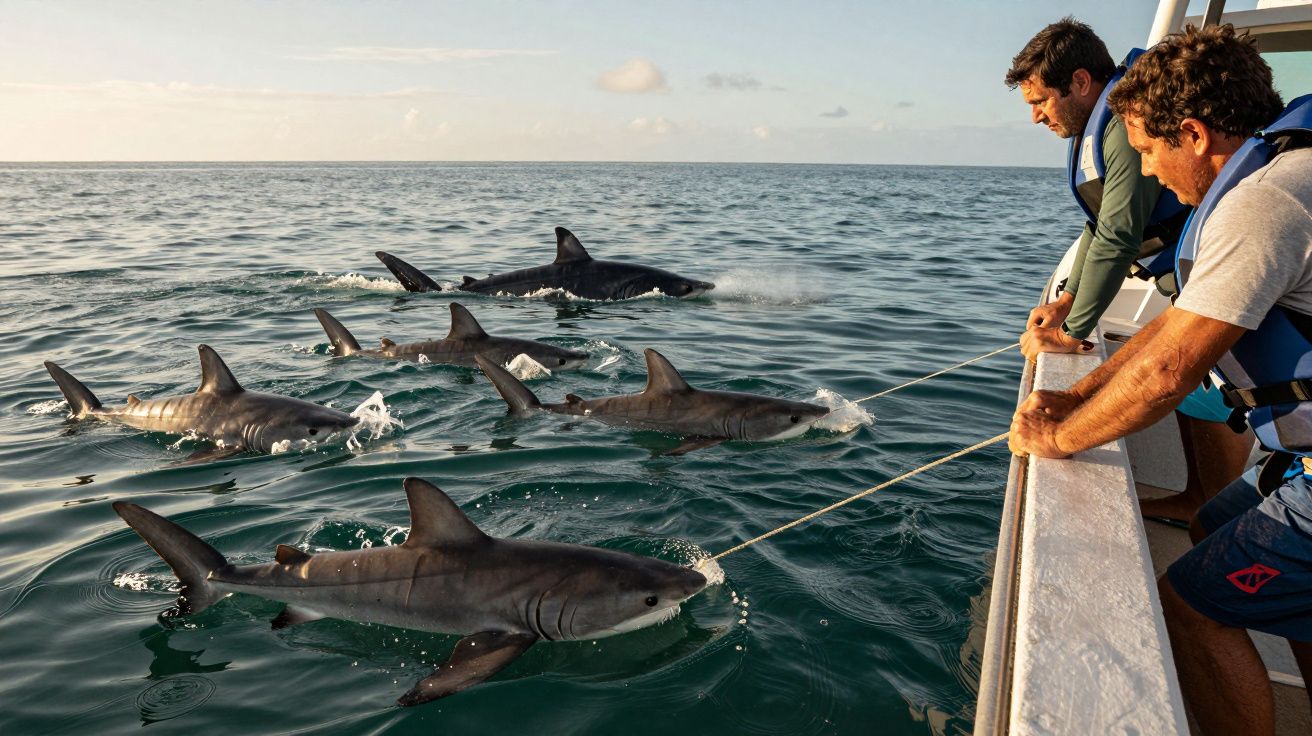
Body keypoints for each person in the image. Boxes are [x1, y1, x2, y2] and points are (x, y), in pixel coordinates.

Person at [1010, 24, 1311, 735]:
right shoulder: (1278, 175)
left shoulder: (1263, 206)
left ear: (1194, 134)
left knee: (1189, 602)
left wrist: (1057, 440)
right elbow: (1172, 333)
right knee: (1214, 521)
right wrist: (1074, 393)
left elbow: (1171, 373)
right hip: (1299, 458)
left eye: (1147, 151)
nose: (1146, 173)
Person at [1005, 18, 1252, 523]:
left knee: (1214, 386)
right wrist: (1068, 299)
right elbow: (1102, 223)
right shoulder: (1104, 123)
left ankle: (1214, 508)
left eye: (1040, 101)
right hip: (1185, 276)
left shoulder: (1119, 124)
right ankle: (1201, 500)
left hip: (1208, 269)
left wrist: (1071, 335)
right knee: (1203, 390)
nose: (1034, 118)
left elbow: (1120, 233)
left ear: (1079, 82)